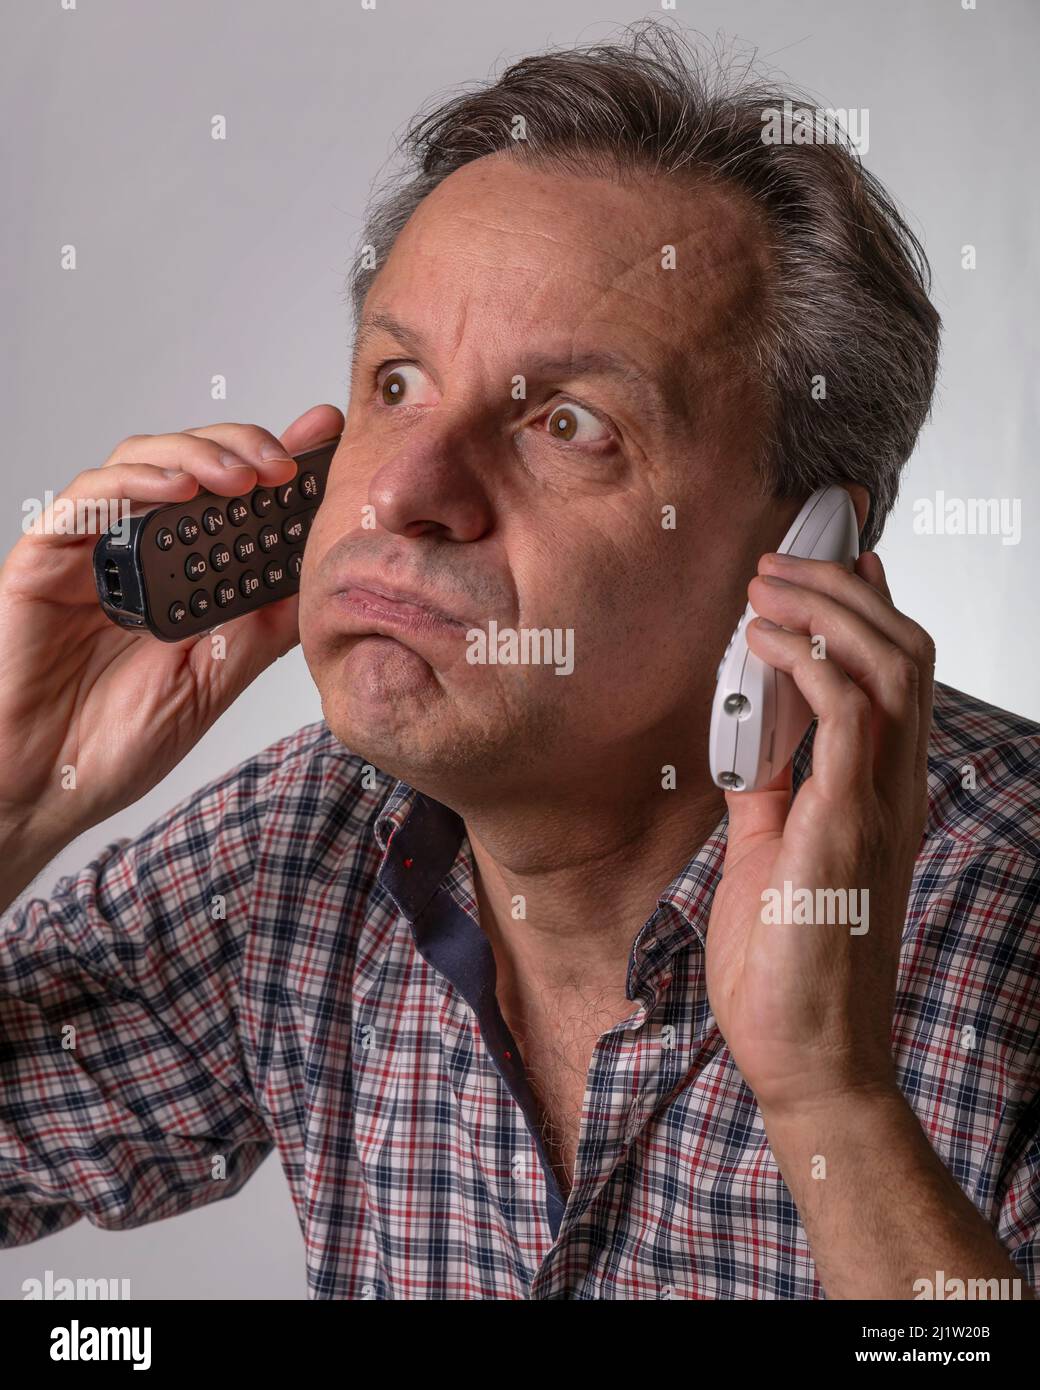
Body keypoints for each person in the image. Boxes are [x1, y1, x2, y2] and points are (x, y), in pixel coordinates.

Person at [1, 21, 1037, 1300]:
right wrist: (17, 796)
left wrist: (833, 1093)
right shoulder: (310, 839)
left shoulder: (1015, 907)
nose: (406, 495)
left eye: (566, 423)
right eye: (395, 385)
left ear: (804, 546)